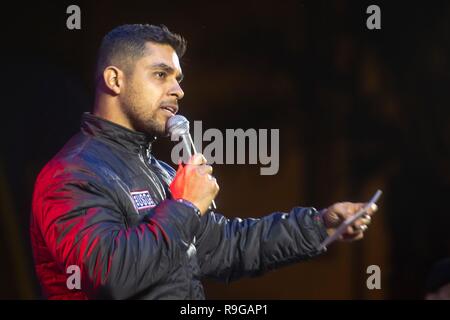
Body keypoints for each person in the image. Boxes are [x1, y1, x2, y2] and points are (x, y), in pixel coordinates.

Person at [30, 24, 377, 300]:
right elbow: (109, 277)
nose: (178, 90)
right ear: (114, 79)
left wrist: (319, 225)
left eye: (178, 79)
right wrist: (183, 206)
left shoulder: (160, 173)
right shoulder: (72, 174)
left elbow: (228, 246)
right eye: (161, 74)